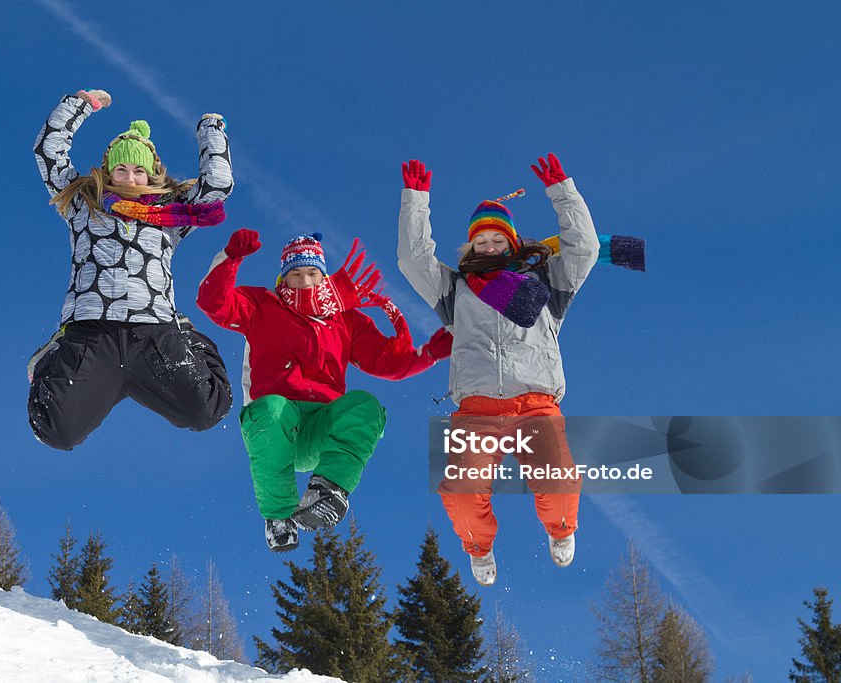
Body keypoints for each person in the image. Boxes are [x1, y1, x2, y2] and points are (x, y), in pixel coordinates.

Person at [397, 154, 599, 585]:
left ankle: (561, 532)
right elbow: (413, 259)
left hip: (535, 404)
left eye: (497, 240)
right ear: (470, 247)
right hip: (477, 409)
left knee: (559, 481)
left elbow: (585, 246)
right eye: (481, 241)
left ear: (511, 242)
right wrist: (416, 200)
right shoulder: (457, 288)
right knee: (462, 494)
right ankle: (479, 547)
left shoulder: (543, 283)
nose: (489, 247)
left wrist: (562, 191)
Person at [197, 229, 452, 551]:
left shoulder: (345, 320)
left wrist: (428, 355)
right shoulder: (262, 305)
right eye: (296, 274)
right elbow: (213, 302)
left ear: (323, 277)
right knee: (273, 408)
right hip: (275, 424)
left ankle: (328, 489)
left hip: (320, 426)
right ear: (283, 278)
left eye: (312, 274)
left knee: (365, 405)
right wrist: (230, 258)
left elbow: (387, 362)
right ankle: (279, 518)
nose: (305, 282)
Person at [27, 88, 234, 450]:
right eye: (120, 168)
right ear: (107, 171)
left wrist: (211, 129)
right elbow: (48, 151)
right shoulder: (83, 203)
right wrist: (81, 105)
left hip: (153, 335)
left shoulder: (172, 215)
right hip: (93, 337)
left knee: (208, 409)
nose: (128, 177)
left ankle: (187, 336)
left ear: (152, 174)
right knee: (55, 431)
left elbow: (217, 185)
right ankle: (55, 357)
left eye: (138, 170)